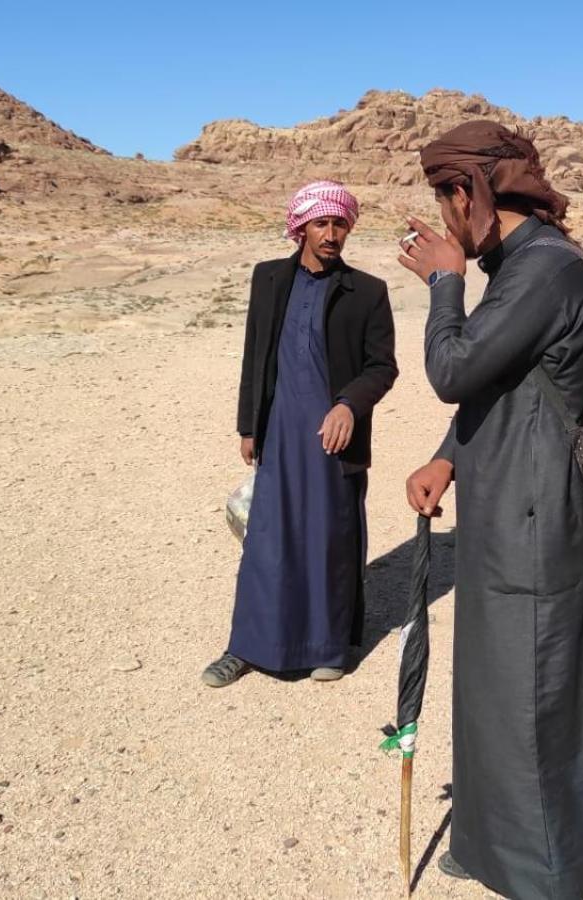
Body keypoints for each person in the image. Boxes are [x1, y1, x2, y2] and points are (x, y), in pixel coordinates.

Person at [398, 122, 583, 900]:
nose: (446, 225)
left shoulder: (546, 269)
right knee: (493, 687)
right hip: (501, 509)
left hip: (536, 518)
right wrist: (449, 457)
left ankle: (545, 878)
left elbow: (454, 367)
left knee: (531, 695)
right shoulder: (521, 266)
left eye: (445, 204)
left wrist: (445, 282)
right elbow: (500, 379)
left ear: (468, 194)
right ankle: (491, 847)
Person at [202, 181, 397, 687]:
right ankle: (245, 647)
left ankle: (327, 646)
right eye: (322, 224)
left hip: (334, 438)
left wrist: (348, 405)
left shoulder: (368, 292)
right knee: (268, 538)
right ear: (301, 228)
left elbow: (382, 367)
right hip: (281, 433)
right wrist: (249, 425)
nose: (332, 234)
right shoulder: (268, 279)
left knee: (330, 538)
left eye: (340, 225)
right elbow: (256, 355)